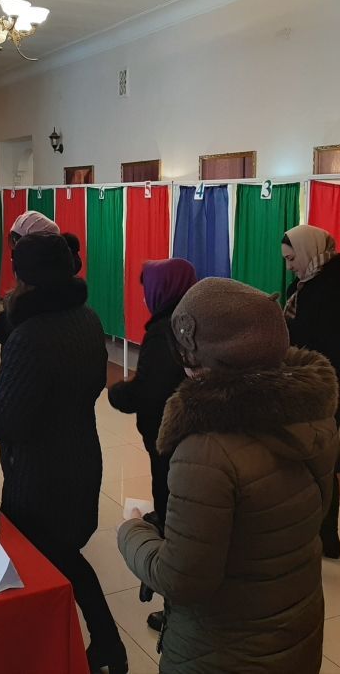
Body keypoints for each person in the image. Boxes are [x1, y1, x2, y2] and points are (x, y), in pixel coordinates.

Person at [117, 278, 340, 674]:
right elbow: (311, 517)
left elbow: (183, 579)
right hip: (296, 633)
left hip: (223, 651)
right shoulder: (313, 415)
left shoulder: (205, 450)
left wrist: (132, 532)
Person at [0, 233, 127, 674]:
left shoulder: (30, 336)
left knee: (48, 557)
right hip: (81, 452)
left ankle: (97, 646)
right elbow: (92, 382)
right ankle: (101, 645)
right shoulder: (87, 317)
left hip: (40, 472)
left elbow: (8, 421)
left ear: (25, 277)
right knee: (64, 553)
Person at [107, 258, 197, 632]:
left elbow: (151, 391)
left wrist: (118, 392)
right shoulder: (192, 320)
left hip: (168, 437)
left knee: (177, 520)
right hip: (189, 435)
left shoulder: (165, 331)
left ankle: (176, 610)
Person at [282, 224, 340, 559]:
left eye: (291, 258)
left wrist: (281, 324)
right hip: (305, 385)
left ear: (307, 251)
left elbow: (324, 344)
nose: (289, 266)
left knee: (322, 465)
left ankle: (326, 538)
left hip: (323, 388)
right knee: (316, 461)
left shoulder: (337, 291)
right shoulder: (306, 284)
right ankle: (315, 536)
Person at [0, 211, 64, 342]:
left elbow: (31, 340)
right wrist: (2, 323)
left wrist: (3, 327)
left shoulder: (49, 307)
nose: (15, 255)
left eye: (21, 245)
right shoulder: (31, 297)